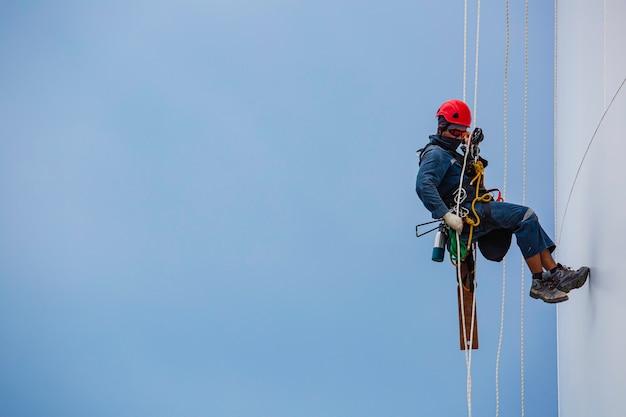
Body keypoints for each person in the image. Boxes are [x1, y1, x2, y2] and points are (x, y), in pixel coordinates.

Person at [416, 99, 589, 303]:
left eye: (463, 133)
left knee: (528, 220)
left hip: (475, 210)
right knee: (526, 216)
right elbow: (423, 184)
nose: (459, 137)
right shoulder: (436, 153)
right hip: (468, 213)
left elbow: (469, 177)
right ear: (441, 128)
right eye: (455, 132)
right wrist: (446, 215)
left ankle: (554, 272)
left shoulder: (453, 154)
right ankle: (539, 282)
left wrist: (471, 150)